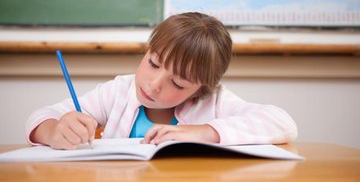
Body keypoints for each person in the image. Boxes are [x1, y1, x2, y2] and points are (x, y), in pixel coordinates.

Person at [26, 12, 297, 150]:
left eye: (178, 84)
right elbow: (42, 116)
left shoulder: (214, 102)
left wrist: (203, 132)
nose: (154, 84)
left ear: (202, 88)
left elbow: (283, 123)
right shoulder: (117, 92)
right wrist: (53, 131)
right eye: (153, 63)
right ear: (147, 51)